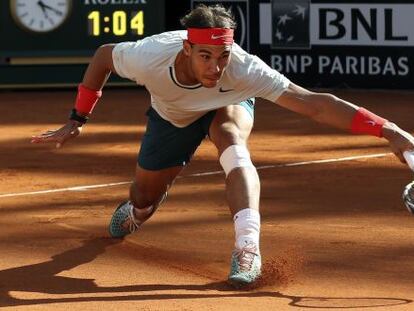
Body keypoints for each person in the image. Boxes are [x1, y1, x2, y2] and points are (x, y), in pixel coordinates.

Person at [31, 4, 414, 288]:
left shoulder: (244, 69)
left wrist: (389, 129)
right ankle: (140, 207)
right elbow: (102, 58)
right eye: (205, 57)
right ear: (186, 50)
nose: (215, 67)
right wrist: (76, 120)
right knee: (144, 198)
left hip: (225, 107)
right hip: (171, 118)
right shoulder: (149, 56)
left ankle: (247, 248)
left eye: (223, 56)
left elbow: (313, 103)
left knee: (231, 139)